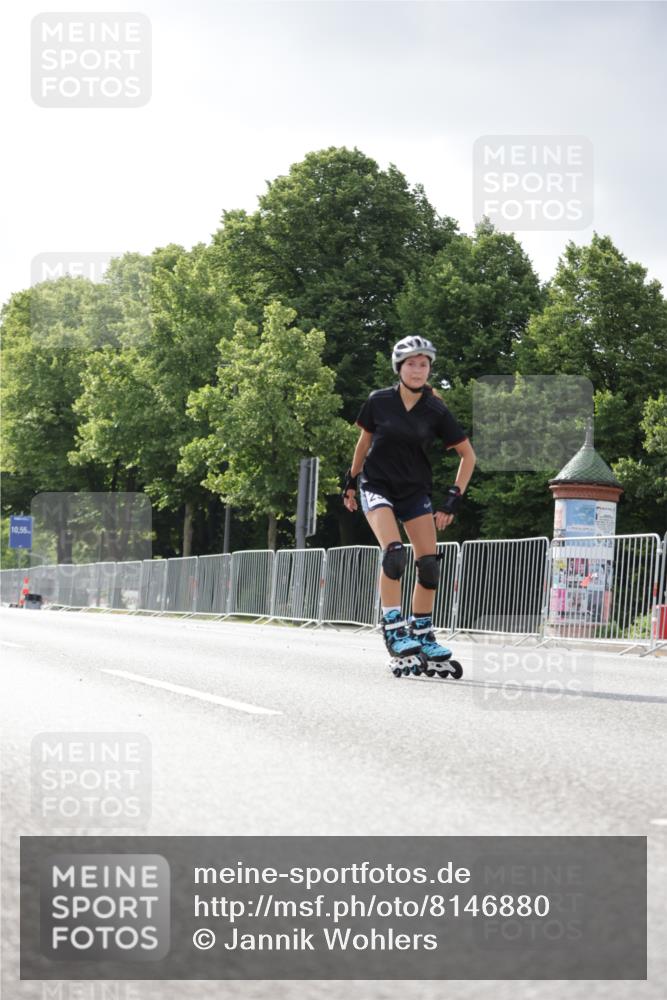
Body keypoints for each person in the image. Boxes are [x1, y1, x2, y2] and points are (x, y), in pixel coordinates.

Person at [342, 335, 476, 668]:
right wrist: (350, 482)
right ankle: (393, 628)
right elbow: (363, 446)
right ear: (399, 367)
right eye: (412, 364)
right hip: (378, 485)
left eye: (424, 364)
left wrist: (452, 499)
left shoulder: (436, 409)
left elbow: (468, 456)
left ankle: (423, 634)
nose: (418, 370)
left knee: (429, 565)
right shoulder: (379, 401)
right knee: (394, 555)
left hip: (415, 491)